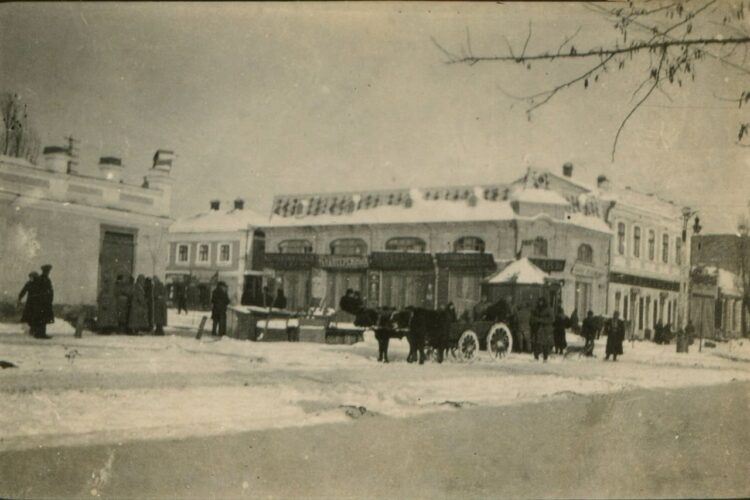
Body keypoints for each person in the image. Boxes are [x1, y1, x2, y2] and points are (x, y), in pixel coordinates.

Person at [32, 265, 55, 339]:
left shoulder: (43, 279)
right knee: (42, 318)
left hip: (43, 302)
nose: (48, 272)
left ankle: (39, 333)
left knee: (41, 318)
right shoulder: (43, 279)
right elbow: (42, 291)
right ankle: (41, 334)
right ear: (45, 271)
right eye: (48, 271)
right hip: (43, 302)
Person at [532, 297, 554, 361]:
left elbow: (551, 319)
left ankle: (545, 358)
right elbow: (533, 317)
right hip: (538, 329)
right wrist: (535, 320)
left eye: (541, 302)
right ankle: (536, 357)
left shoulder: (549, 310)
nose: (540, 303)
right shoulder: (537, 309)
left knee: (545, 344)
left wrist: (540, 320)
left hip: (546, 329)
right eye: (539, 301)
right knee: (536, 343)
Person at [18, 272, 39, 336]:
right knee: (29, 316)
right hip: (30, 302)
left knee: (34, 316)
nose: (30, 278)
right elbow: (23, 291)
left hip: (36, 302)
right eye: (30, 277)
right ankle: (32, 329)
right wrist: (20, 297)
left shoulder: (38, 284)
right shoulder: (29, 284)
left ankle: (34, 329)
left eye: (32, 277)